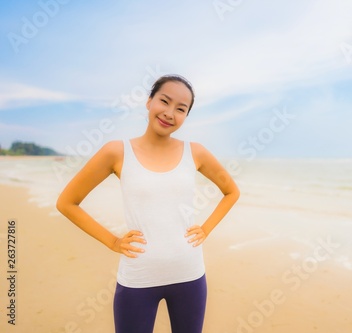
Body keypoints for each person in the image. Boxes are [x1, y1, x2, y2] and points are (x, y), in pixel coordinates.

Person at [56, 74, 240, 333]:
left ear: (186, 115)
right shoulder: (116, 152)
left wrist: (206, 229)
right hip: (138, 278)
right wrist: (113, 242)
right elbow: (67, 202)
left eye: (181, 109)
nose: (169, 113)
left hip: (189, 275)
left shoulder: (195, 152)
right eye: (164, 101)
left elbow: (231, 191)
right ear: (149, 101)